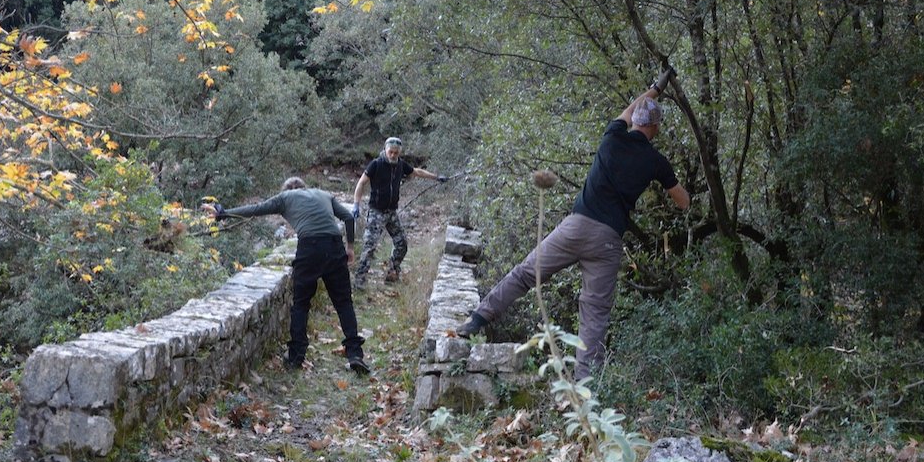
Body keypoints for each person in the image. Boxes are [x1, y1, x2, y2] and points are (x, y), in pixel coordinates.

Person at [457, 81, 689, 379]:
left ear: (635, 121)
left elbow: (631, 108)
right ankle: (584, 390)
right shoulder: (657, 162)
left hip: (576, 227)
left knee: (527, 273)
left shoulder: (613, 137)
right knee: (594, 315)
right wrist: (685, 193)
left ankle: (478, 319)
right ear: (655, 128)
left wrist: (656, 87)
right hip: (608, 241)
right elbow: (682, 202)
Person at [204, 177, 368, 375]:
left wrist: (223, 214)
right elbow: (349, 218)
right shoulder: (323, 194)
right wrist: (349, 247)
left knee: (301, 304)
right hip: (334, 246)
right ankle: (355, 354)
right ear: (304, 188)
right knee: (343, 303)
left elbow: (255, 209)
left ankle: (296, 356)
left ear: (286, 189)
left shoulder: (284, 198)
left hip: (309, 248)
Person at [352, 137, 447, 286]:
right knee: (369, 246)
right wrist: (356, 205)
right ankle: (359, 280)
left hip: (391, 213)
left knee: (402, 243)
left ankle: (392, 272)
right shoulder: (376, 164)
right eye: (391, 152)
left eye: (396, 153)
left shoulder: (400, 165)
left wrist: (436, 178)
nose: (393, 155)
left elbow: (417, 172)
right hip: (376, 212)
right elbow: (361, 183)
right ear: (385, 149)